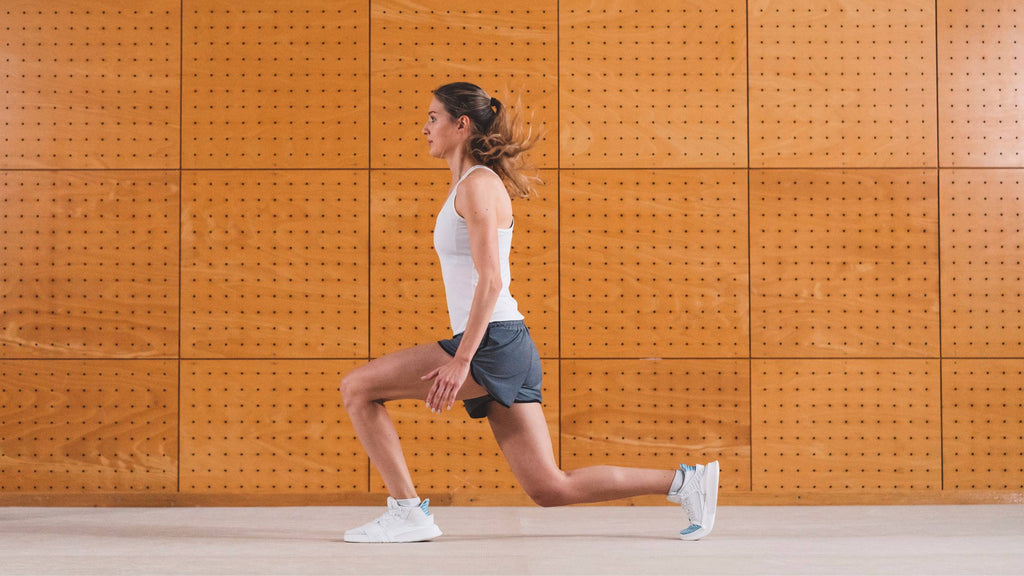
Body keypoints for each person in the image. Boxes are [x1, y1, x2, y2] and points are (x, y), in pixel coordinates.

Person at [339, 82, 719, 543]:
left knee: (357, 387)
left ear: (462, 125)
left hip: (492, 343)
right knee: (549, 487)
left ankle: (407, 512)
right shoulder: (469, 184)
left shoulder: (478, 186)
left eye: (434, 118)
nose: (425, 128)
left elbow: (492, 279)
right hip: (504, 341)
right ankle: (686, 482)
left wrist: (461, 361)